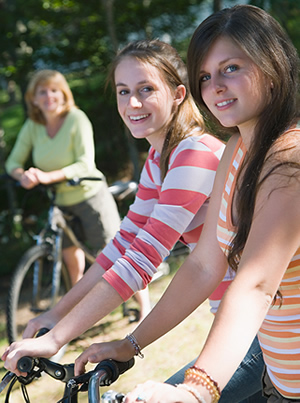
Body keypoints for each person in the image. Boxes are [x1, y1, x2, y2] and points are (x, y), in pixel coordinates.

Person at [54, 5, 300, 403]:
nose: (215, 85)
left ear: (272, 67)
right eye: (206, 75)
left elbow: (255, 285)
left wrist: (196, 390)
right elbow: (204, 264)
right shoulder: (237, 149)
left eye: (231, 67)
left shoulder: (289, 160)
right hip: (280, 380)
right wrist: (131, 344)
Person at [2, 39, 226, 371]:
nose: (133, 102)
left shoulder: (194, 153)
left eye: (146, 88)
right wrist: (54, 313)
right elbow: (121, 246)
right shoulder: (158, 158)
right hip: (236, 316)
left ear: (178, 95)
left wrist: (55, 339)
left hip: (270, 314)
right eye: (123, 91)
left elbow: (141, 260)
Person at [5, 69, 120, 287]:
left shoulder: (77, 119)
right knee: (70, 259)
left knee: (114, 254)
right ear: (34, 99)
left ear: (64, 94)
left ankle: (144, 307)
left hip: (89, 195)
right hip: (59, 201)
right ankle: (77, 311)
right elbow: (13, 163)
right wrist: (24, 176)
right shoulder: (32, 126)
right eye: (42, 92)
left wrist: (47, 177)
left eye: (54, 90)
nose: (49, 96)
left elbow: (85, 163)